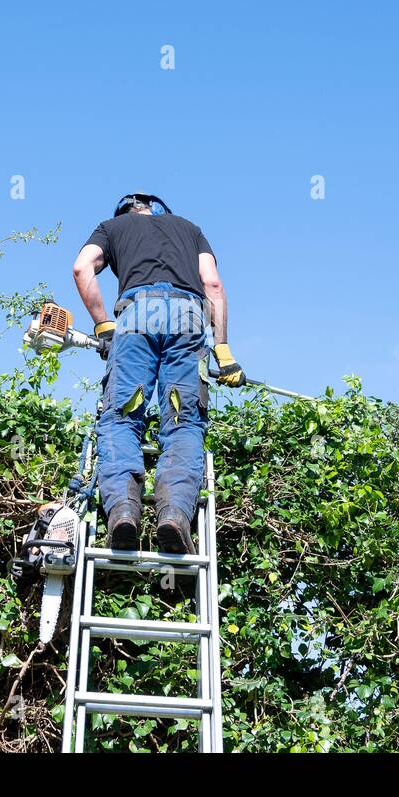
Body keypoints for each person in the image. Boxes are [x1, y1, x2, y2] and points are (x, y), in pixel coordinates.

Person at [72, 193, 245, 554]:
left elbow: (81, 267)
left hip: (136, 315)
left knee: (122, 418)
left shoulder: (112, 228)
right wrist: (223, 352)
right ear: (160, 210)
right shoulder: (191, 229)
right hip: (188, 316)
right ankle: (174, 515)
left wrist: (103, 325)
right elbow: (212, 285)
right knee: (183, 421)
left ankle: (122, 512)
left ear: (125, 213)